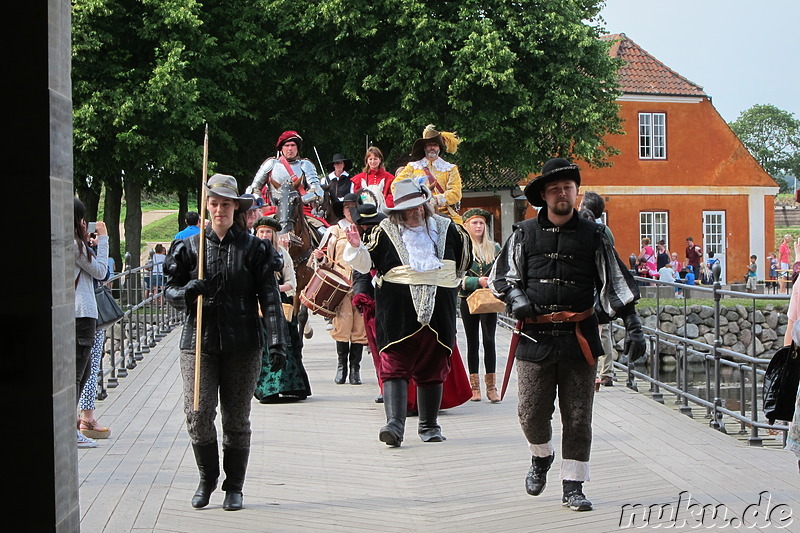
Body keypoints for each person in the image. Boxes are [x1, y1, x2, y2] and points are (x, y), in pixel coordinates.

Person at [489, 158, 646, 512]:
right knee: (530, 414)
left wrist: (634, 327)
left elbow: (616, 282)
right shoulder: (524, 233)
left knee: (578, 416)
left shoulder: (595, 235)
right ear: (543, 196)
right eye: (555, 188)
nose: (563, 193)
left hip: (580, 338)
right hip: (535, 338)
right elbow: (502, 275)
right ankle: (541, 456)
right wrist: (517, 298)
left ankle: (573, 484)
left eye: (568, 187)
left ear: (576, 192)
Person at [164, 173, 289, 511]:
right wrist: (186, 292)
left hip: (244, 343)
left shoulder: (255, 249)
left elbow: (271, 298)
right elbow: (170, 291)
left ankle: (234, 486)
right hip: (198, 344)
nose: (219, 210)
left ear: (237, 207)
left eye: (226, 204)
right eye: (214, 203)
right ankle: (207, 477)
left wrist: (278, 340)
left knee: (237, 418)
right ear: (207, 206)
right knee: (198, 413)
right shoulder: (190, 247)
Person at [344, 179, 472, 446]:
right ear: (398, 212)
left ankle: (429, 425)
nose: (414, 213)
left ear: (426, 205)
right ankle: (394, 425)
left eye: (418, 207)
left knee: (434, 366)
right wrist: (356, 246)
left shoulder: (450, 231)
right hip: (396, 314)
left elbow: (462, 266)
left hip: (439, 312)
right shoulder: (384, 231)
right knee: (393, 366)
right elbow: (368, 264)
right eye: (408, 209)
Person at [252, 217, 312, 402]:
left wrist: (272, 288)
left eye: (268, 232)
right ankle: (266, 389)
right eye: (261, 232)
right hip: (257, 306)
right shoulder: (250, 251)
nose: (264, 235)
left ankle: (289, 386)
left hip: (279, 305)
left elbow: (291, 283)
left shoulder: (282, 254)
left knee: (284, 344)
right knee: (261, 348)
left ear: (274, 235)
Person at [312, 192, 368, 384]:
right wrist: (319, 257)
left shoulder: (365, 228)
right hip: (340, 285)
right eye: (347, 207)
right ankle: (341, 366)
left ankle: (355, 369)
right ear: (342, 210)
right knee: (342, 326)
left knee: (360, 328)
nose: (350, 211)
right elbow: (325, 259)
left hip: (362, 284)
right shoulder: (334, 231)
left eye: (353, 207)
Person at [74, 198, 110, 449]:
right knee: (79, 373)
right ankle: (71, 427)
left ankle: (71, 424)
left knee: (81, 372)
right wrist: (105, 240)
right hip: (82, 315)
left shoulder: (75, 244)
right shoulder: (75, 245)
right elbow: (102, 272)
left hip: (77, 314)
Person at [459, 208, 501, 402]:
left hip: (489, 299)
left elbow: (502, 273)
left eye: (481, 223)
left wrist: (492, 283)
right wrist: (476, 282)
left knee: (489, 340)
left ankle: (491, 386)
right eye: (474, 223)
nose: (478, 227)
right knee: (472, 342)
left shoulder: (495, 248)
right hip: (468, 298)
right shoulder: (462, 248)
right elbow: (456, 277)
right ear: (467, 226)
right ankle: (474, 387)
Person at [579, 191, 618, 388]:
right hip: (602, 286)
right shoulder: (606, 230)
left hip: (593, 285)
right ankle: (606, 372)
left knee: (594, 329)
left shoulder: (592, 228)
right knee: (603, 331)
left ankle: (593, 370)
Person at [394, 124, 463, 225]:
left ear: (439, 148)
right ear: (424, 147)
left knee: (460, 234)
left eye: (435, 145)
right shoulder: (412, 167)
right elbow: (396, 186)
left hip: (445, 212)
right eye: (429, 145)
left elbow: (456, 193)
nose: (432, 148)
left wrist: (435, 199)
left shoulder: (450, 169)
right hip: (417, 211)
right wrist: (415, 199)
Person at [246, 130, 325, 208]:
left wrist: (299, 200)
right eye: (287, 145)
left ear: (297, 148)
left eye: (293, 145)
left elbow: (317, 190)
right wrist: (261, 203)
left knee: (317, 221)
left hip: (301, 210)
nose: (290, 149)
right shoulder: (271, 164)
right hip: (274, 210)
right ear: (281, 148)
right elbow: (253, 189)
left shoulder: (306, 165)